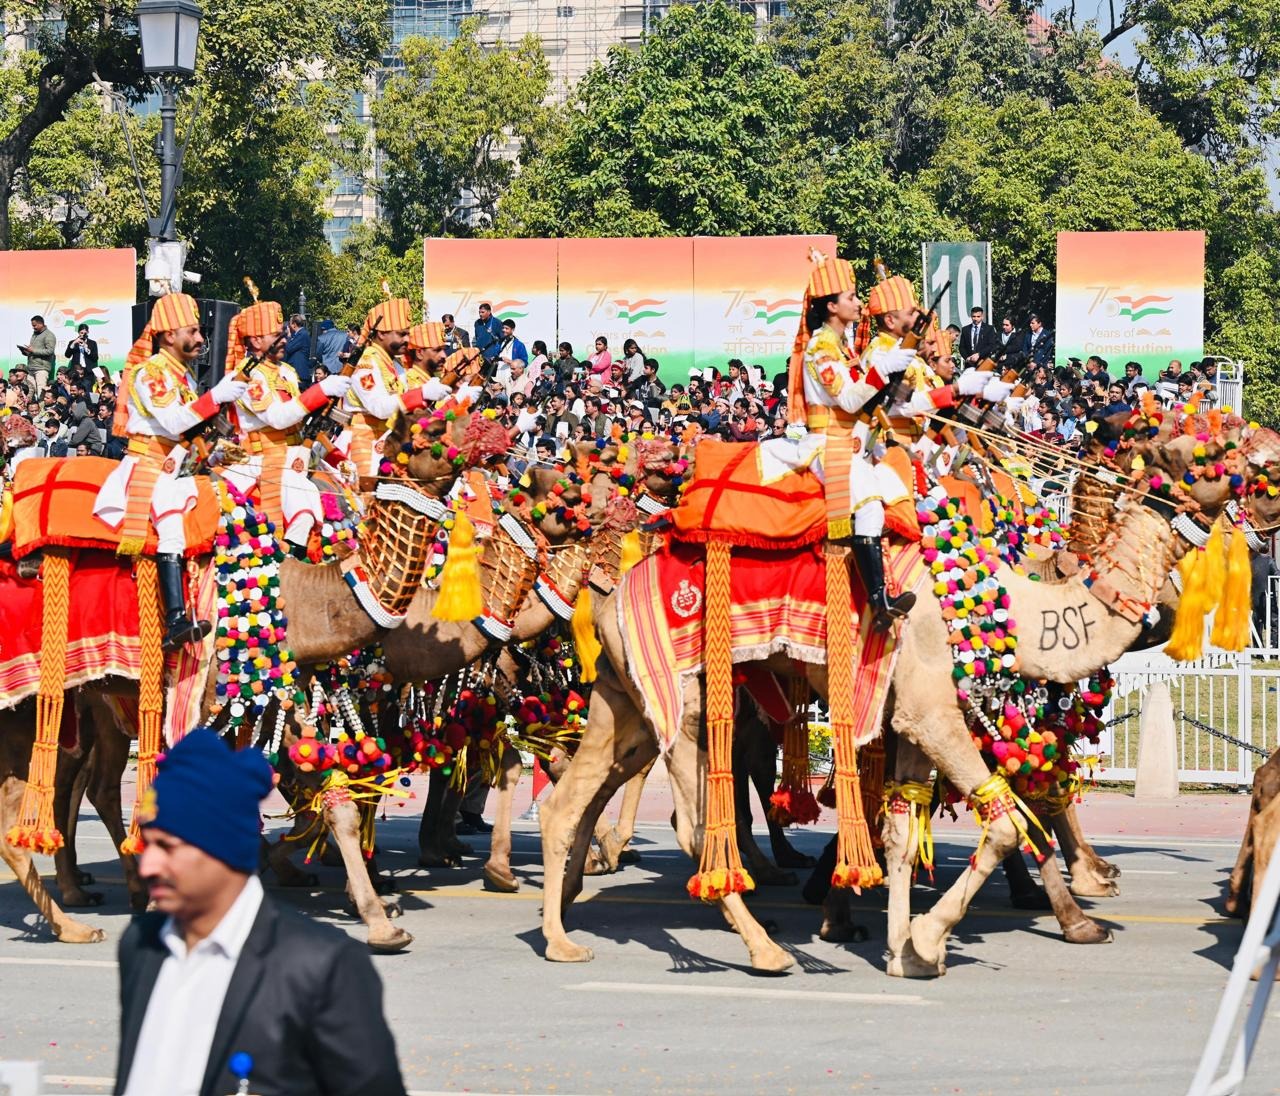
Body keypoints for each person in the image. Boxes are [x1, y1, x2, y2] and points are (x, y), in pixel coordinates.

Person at [115, 728, 405, 1096]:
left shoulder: (322, 967)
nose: (148, 865)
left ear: (221, 849)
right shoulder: (141, 946)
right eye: (149, 844)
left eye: (168, 847)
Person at [93, 293, 249, 650]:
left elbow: (186, 434)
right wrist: (217, 396)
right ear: (167, 336)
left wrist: (211, 456)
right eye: (192, 331)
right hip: (146, 469)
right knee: (171, 524)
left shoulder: (184, 378)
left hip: (172, 468)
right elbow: (173, 420)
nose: (199, 338)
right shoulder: (151, 373)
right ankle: (175, 620)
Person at [778, 259, 919, 629]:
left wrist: (893, 373)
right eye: (851, 297)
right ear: (831, 306)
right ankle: (878, 601)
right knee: (870, 506)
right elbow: (851, 401)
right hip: (828, 444)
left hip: (851, 443)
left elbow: (871, 402)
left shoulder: (841, 348)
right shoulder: (821, 351)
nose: (858, 304)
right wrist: (884, 369)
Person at [221, 297, 353, 551]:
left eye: (283, 332)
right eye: (276, 334)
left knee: (348, 497)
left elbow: (299, 419)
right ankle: (290, 564)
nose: (284, 338)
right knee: (304, 513)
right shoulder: (247, 375)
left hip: (298, 454)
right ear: (256, 340)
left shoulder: (287, 371)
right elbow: (278, 417)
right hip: (265, 460)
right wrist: (320, 390)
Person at [337, 296, 449, 477]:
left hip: (387, 440)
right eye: (402, 334)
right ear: (381, 333)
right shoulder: (366, 362)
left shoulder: (393, 365)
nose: (407, 339)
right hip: (362, 442)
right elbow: (379, 408)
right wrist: (421, 393)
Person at [18, 314, 57, 393]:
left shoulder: (49, 335)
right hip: (31, 368)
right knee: (30, 393)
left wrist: (33, 350)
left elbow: (50, 351)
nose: (33, 327)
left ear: (41, 324)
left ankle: (42, 406)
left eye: (34, 325)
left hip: (41, 369)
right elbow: (33, 351)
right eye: (32, 325)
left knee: (41, 393)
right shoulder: (35, 334)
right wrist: (26, 351)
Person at [283, 314, 312, 386]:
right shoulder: (298, 334)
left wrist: (289, 337)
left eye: (290, 324)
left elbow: (289, 348)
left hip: (299, 373)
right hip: (296, 372)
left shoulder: (302, 334)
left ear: (294, 324)